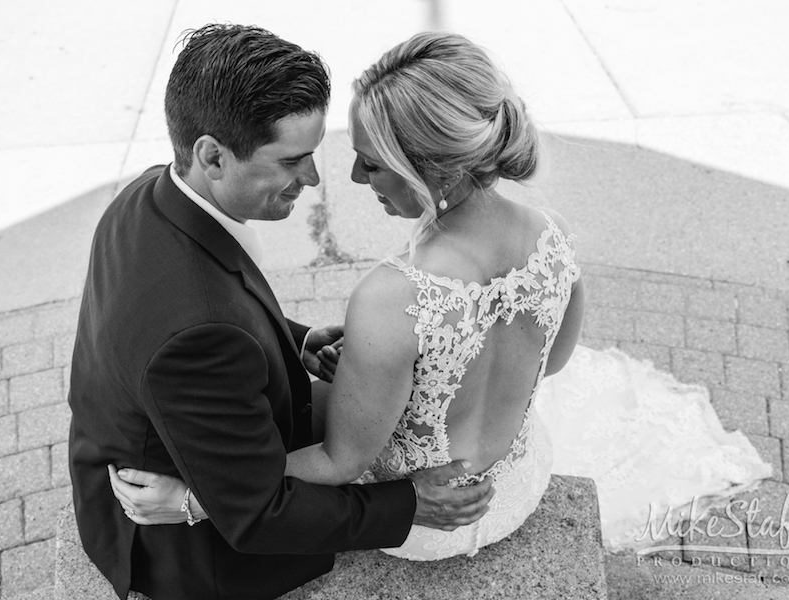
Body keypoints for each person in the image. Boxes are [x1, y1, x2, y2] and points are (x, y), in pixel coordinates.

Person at [113, 30, 774, 561]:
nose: (348, 175)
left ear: (424, 165)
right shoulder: (552, 234)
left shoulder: (391, 298)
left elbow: (343, 463)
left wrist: (198, 497)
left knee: (288, 415)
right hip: (515, 481)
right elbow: (558, 360)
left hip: (429, 523)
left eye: (370, 161)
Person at [68, 24, 493, 600]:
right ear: (212, 156)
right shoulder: (198, 335)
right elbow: (257, 515)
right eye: (293, 161)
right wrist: (412, 503)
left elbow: (214, 311)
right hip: (183, 546)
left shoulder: (148, 195)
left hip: (170, 422)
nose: (314, 179)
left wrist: (293, 340)